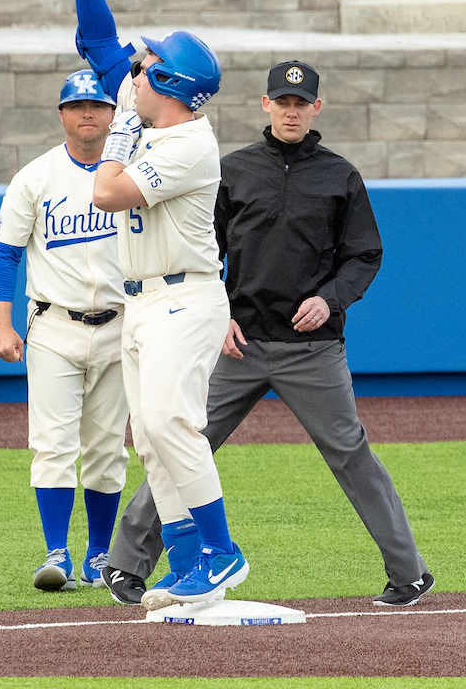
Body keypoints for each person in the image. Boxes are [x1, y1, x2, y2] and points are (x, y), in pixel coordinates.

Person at [103, 58, 436, 608]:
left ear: (316, 109)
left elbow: (365, 255)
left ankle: (409, 572)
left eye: (301, 104)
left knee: (351, 454)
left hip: (313, 349)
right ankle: (127, 563)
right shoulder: (231, 169)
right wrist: (221, 312)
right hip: (239, 340)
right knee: (181, 436)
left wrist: (329, 301)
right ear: (266, 105)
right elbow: (200, 248)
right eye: (282, 102)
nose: (291, 111)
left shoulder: (340, 176)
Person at [30, 0, 250, 612]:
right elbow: (101, 45)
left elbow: (106, 194)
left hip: (185, 298)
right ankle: (187, 567)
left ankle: (222, 553)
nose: (137, 65)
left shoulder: (187, 143)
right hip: (144, 301)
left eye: (151, 62)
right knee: (149, 436)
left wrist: (119, 142)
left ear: (172, 84)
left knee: (168, 422)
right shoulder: (150, 115)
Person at [0, 69, 131, 592]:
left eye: (97, 104)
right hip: (53, 324)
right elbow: (4, 256)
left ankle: (98, 555)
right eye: (77, 106)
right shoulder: (36, 176)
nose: (88, 113)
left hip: (120, 324)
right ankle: (56, 552)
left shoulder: (133, 171)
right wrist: (2, 326)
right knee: (52, 444)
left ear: (113, 115)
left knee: (106, 447)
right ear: (62, 115)